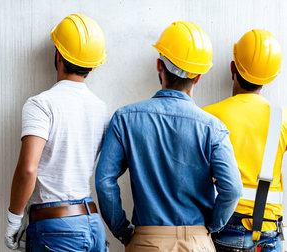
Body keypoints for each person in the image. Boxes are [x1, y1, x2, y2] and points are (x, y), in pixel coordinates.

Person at [95, 21, 243, 251]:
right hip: (197, 242)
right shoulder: (213, 128)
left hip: (146, 241)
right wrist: (211, 227)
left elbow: (104, 181)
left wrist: (122, 231)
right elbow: (232, 188)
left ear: (159, 66)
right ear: (198, 77)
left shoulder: (125, 118)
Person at [4, 14, 110, 251]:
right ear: (93, 65)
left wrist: (14, 219)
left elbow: (28, 168)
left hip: (57, 227)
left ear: (58, 55)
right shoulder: (101, 108)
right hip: (92, 223)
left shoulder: (41, 104)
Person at [204, 29, 286, 251]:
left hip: (225, 228)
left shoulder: (208, 116)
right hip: (269, 231)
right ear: (272, 76)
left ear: (233, 68)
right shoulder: (283, 118)